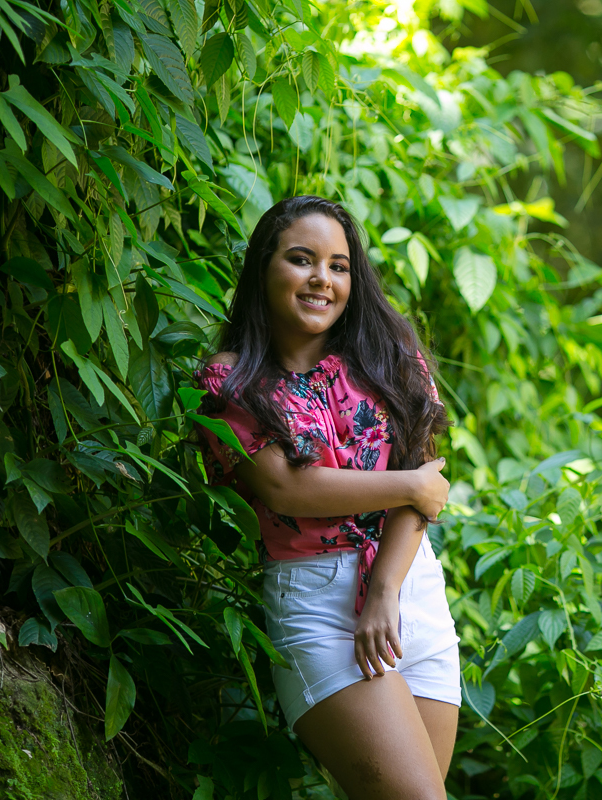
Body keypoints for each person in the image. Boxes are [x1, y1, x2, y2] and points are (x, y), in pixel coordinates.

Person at [193, 195, 458, 799]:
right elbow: (286, 486)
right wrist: (409, 484)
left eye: (339, 266)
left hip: (410, 587)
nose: (322, 279)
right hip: (318, 601)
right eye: (301, 259)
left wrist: (386, 590)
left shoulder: (389, 357)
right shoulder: (230, 381)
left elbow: (429, 485)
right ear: (264, 268)